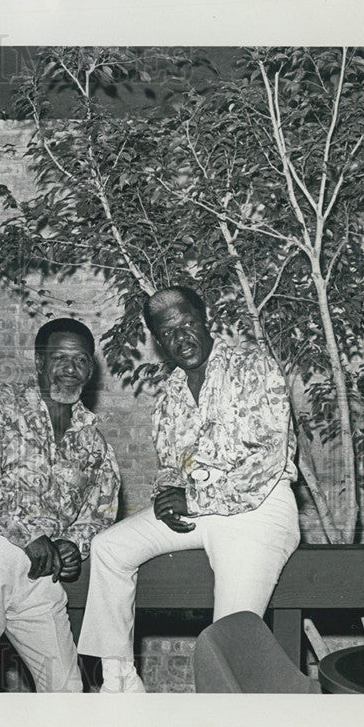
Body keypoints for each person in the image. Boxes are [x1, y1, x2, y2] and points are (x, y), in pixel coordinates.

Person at [77, 285, 300, 692]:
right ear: (159, 342)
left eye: (188, 324)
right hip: (201, 512)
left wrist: (193, 499)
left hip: (258, 512)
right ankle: (120, 683)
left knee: (227, 642)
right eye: (169, 332)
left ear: (204, 320)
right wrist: (167, 497)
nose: (182, 338)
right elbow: (170, 467)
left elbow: (266, 460)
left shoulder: (253, 366)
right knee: (109, 549)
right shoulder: (171, 395)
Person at [0, 318, 120, 692]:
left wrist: (72, 546)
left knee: (66, 687)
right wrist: (30, 534)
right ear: (38, 361)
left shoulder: (95, 443)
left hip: (39, 567)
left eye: (80, 360)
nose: (70, 369)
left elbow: (98, 512)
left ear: (91, 369)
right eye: (59, 357)